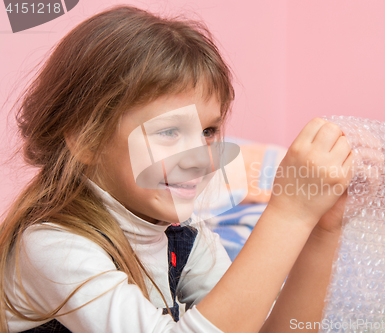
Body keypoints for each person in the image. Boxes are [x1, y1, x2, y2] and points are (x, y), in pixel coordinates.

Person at [0, 5, 353, 333]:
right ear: (86, 140)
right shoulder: (52, 246)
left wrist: (322, 227)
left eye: (208, 132)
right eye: (169, 131)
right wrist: (287, 213)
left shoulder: (183, 238)